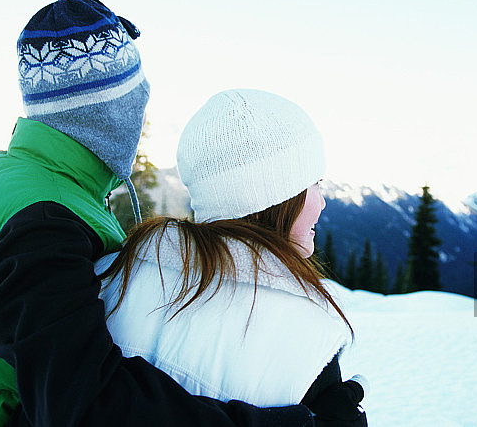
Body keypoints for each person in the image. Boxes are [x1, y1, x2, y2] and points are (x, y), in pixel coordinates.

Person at [0, 0, 359, 427]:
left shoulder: (16, 176)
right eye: (137, 100)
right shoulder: (44, 222)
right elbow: (83, 408)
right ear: (109, 113)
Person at [96, 89, 367, 423]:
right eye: (315, 183)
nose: (323, 201)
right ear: (279, 196)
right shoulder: (308, 334)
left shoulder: (111, 276)